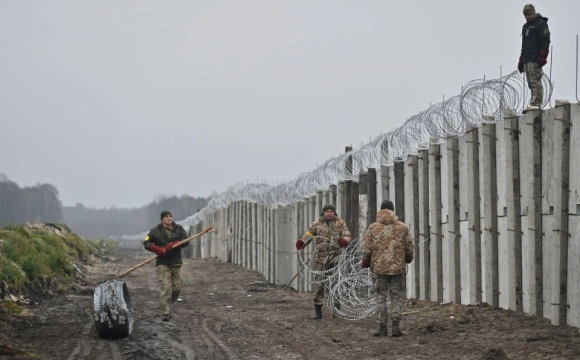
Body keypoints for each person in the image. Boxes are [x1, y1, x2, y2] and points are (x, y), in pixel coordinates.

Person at [361, 200, 414, 337]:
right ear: (392, 210)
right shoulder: (402, 227)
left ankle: (382, 327)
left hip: (379, 268)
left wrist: (365, 261)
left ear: (381, 210)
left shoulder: (373, 227)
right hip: (397, 268)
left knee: (380, 297)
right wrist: (408, 258)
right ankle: (396, 327)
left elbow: (367, 248)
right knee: (396, 296)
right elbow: (409, 245)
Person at [296, 204, 351, 320]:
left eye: (331, 211)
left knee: (336, 283)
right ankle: (318, 311)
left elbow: (347, 234)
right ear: (323, 213)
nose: (329, 213)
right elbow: (308, 235)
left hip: (335, 258)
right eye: (327, 211)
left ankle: (336, 310)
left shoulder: (340, 223)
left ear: (334, 212)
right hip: (320, 259)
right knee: (319, 285)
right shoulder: (316, 224)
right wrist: (302, 243)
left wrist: (344, 241)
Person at [143, 210, 190, 321]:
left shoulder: (179, 229)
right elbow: (146, 243)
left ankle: (167, 304)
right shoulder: (155, 231)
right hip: (163, 263)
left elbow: (186, 240)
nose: (169, 218)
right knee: (166, 288)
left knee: (177, 288)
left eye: (170, 216)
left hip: (176, 263)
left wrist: (176, 244)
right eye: (166, 217)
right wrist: (157, 249)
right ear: (162, 219)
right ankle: (166, 312)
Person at [517, 4, 550, 112]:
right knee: (531, 83)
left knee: (535, 82)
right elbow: (524, 45)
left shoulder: (541, 24)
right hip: (527, 58)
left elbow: (545, 41)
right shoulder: (525, 27)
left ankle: (536, 103)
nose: (527, 17)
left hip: (535, 58)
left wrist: (542, 56)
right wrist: (521, 60)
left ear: (533, 13)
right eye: (526, 15)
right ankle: (533, 101)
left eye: (529, 14)